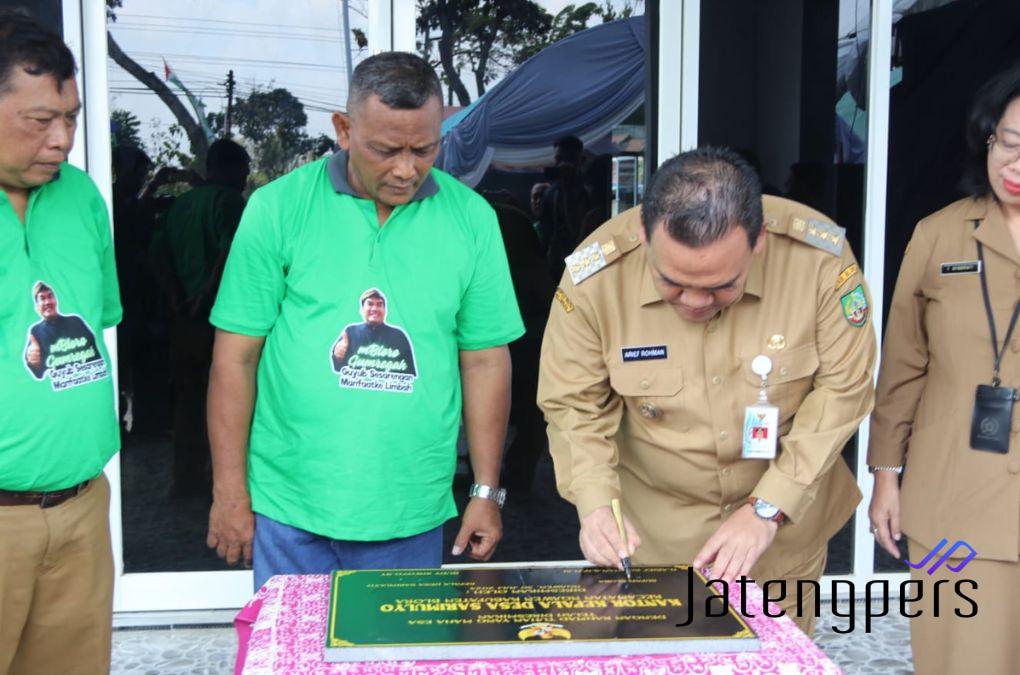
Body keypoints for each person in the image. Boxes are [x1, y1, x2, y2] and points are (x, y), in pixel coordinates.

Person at [206, 52, 524, 589]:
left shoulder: (472, 220)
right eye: (385, 149)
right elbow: (235, 358)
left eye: (424, 149)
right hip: (289, 506)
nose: (406, 169)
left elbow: (486, 361)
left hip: (409, 510)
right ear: (345, 129)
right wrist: (230, 491)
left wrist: (485, 492)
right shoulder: (278, 208)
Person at [537, 147, 876, 636]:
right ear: (643, 235)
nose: (695, 302)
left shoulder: (816, 261)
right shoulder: (598, 276)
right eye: (672, 284)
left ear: (758, 242)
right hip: (655, 544)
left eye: (720, 286)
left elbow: (844, 388)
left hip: (782, 537)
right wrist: (594, 504)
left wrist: (767, 509)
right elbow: (574, 405)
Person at [868, 62, 1020, 674]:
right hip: (954, 495)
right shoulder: (938, 236)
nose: (1016, 164)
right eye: (1009, 143)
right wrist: (885, 474)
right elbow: (903, 365)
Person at [0, 12, 121, 674]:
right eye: (40, 120)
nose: (63, 139)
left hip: (80, 508)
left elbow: (97, 320)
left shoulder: (80, 198)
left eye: (71, 118)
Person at [152, 138, 249, 497]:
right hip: (220, 321)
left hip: (184, 318)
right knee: (228, 399)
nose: (246, 177)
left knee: (188, 399)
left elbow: (158, 257)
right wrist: (203, 297)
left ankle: (186, 477)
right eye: (244, 169)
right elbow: (229, 252)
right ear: (230, 169)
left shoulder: (182, 205)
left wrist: (178, 299)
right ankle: (221, 482)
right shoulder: (228, 202)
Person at [538, 135, 594, 278]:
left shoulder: (591, 192)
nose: (561, 165)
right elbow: (545, 231)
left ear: (580, 161)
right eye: (558, 160)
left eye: (567, 160)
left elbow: (581, 232)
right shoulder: (551, 193)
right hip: (554, 267)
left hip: (584, 266)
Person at [24, 281, 104, 382]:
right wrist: (34, 362)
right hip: (56, 390)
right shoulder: (36, 331)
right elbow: (38, 374)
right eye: (42, 298)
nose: (47, 302)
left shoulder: (76, 322)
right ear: (36, 306)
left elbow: (97, 360)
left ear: (56, 300)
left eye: (50, 296)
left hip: (85, 383)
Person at [332, 288, 418, 378]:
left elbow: (410, 377)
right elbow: (337, 373)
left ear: (385, 310)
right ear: (361, 309)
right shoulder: (350, 332)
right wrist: (338, 358)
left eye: (379, 304)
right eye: (370, 304)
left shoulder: (399, 336)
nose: (374, 309)